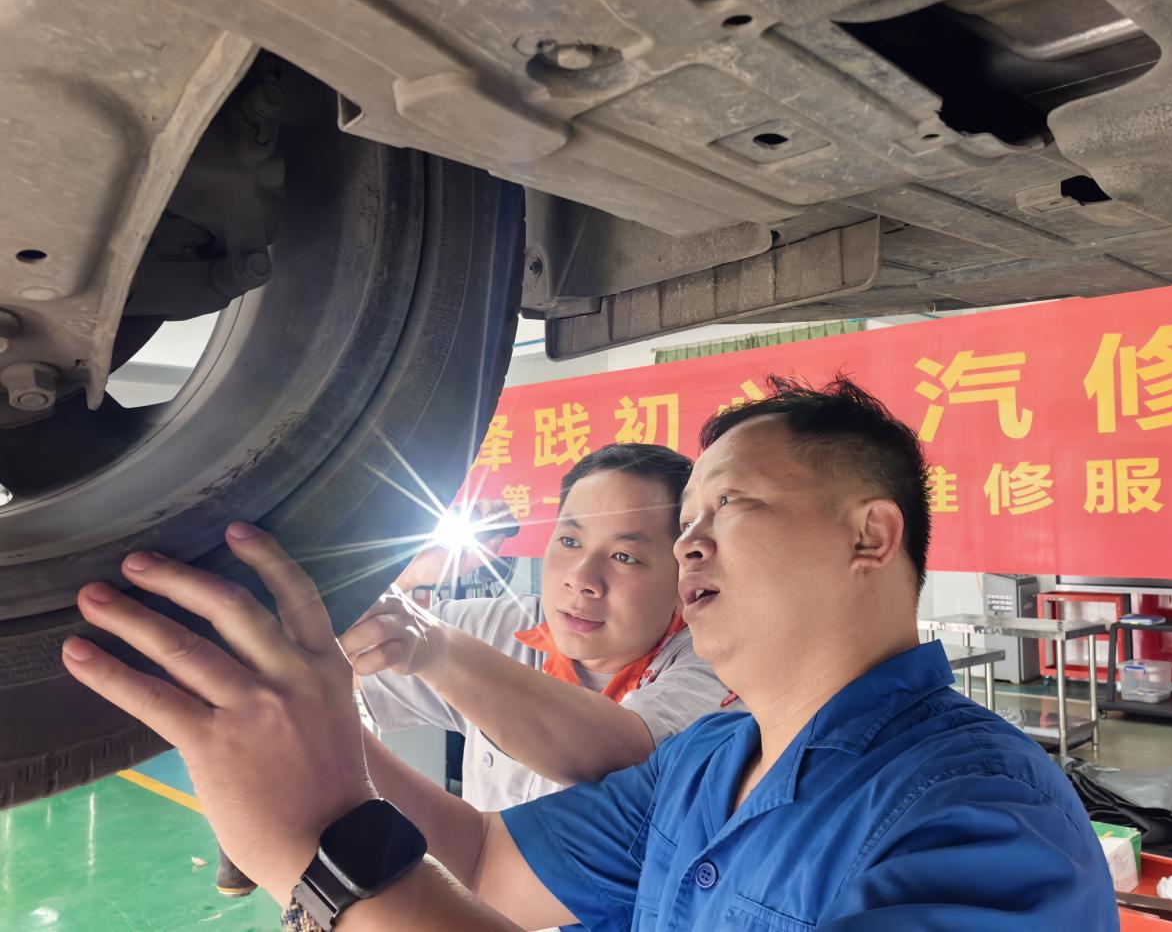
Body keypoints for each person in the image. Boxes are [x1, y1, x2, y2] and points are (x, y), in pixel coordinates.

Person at [61, 375, 1118, 931]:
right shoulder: (707, 762)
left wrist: (320, 846)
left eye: (728, 507)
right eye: (685, 521)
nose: (689, 544)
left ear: (869, 538)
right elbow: (486, 863)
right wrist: (315, 735)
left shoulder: (978, 810)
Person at [219, 443, 734, 898]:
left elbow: (623, 749)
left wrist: (435, 648)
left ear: (684, 571)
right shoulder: (504, 625)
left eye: (624, 556)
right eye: (569, 541)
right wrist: (400, 579)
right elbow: (335, 673)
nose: (582, 579)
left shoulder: (714, 666)